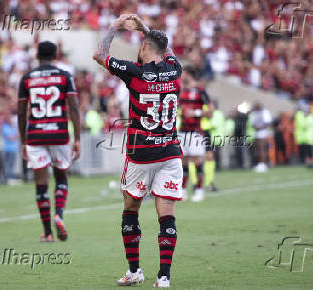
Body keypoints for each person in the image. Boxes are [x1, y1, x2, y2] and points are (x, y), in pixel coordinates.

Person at [93, 14, 182, 288]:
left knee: (130, 210)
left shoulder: (134, 72)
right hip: (169, 153)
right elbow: (166, 50)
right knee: (166, 215)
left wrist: (115, 28)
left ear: (143, 48)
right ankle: (163, 277)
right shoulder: (174, 69)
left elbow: (99, 54)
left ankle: (134, 271)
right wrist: (145, 29)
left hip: (140, 155)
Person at [18, 41, 81, 243]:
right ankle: (59, 214)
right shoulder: (65, 77)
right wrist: (77, 138)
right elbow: (74, 108)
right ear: (56, 56)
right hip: (59, 134)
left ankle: (47, 232)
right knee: (61, 177)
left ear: (37, 56)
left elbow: (21, 113)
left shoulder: (26, 79)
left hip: (35, 136)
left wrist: (23, 141)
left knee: (41, 184)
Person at [180, 66, 213, 201]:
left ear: (189, 74)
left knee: (197, 160)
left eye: (183, 73)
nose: (181, 76)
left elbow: (211, 111)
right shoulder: (180, 90)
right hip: (182, 131)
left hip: (195, 131)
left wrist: (195, 113)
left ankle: (199, 190)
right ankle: (182, 190)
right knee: (183, 162)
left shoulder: (200, 91)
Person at [249, 102, 272, 172]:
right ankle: (259, 163)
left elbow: (268, 122)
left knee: (262, 148)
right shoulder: (253, 113)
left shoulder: (265, 112)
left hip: (263, 133)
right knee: (257, 149)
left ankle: (263, 164)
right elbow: (252, 124)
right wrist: (256, 127)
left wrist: (260, 127)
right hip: (255, 133)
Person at [1, 114, 19, 182]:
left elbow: (18, 135)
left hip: (13, 149)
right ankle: (7, 178)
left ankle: (10, 177)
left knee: (12, 165)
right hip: (7, 149)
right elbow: (10, 137)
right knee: (7, 165)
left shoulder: (13, 127)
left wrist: (15, 136)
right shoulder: (5, 127)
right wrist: (15, 136)